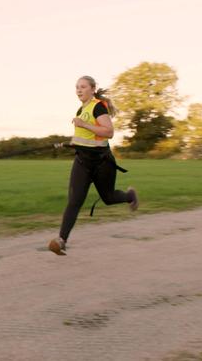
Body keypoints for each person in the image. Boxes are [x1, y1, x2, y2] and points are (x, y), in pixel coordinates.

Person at [49, 76, 139, 255]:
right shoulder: (81, 110)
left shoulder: (98, 106)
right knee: (74, 201)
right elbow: (85, 140)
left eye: (82, 87)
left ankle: (129, 195)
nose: (79, 90)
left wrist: (84, 124)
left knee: (108, 198)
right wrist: (69, 144)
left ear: (92, 89)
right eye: (76, 87)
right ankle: (61, 240)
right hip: (82, 162)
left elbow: (109, 132)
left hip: (102, 163)